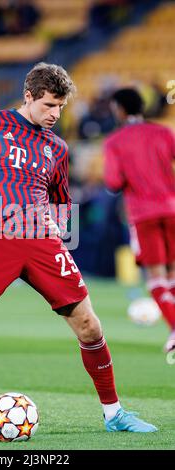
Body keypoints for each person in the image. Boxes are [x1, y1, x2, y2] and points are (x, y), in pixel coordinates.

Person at [0, 64, 157, 436]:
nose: (55, 114)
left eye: (61, 108)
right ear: (29, 96)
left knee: (89, 325)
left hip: (41, 241)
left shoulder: (57, 147)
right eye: (49, 105)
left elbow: (62, 201)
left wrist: (64, 238)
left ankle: (114, 413)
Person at [104, 87, 175, 353]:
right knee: (173, 274)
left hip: (143, 213)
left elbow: (112, 182)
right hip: (172, 207)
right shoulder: (164, 132)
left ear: (119, 110)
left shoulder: (114, 141)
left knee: (156, 276)